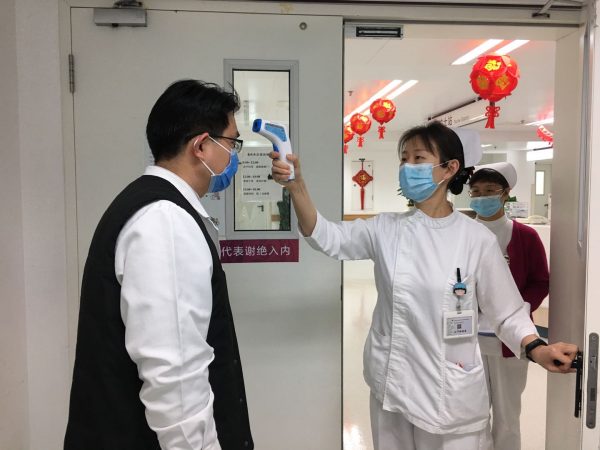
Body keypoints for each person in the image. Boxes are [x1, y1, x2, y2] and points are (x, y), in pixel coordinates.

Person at [270, 121, 577, 450]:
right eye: (404, 159)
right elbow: (327, 237)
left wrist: (537, 348)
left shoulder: (476, 239)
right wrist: (297, 187)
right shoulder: (387, 229)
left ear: (450, 168)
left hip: (450, 387)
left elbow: (507, 311)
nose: (408, 167)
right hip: (393, 382)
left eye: (418, 158)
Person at [64, 80, 253, 450]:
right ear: (201, 146)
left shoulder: (149, 204)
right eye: (232, 143)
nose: (234, 156)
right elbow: (175, 381)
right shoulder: (165, 220)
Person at [469, 162, 549, 450]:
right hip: (468, 341)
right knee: (470, 416)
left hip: (510, 344)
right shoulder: (462, 234)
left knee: (507, 417)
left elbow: (540, 281)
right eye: (476, 192)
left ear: (505, 193)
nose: (482, 197)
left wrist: (519, 311)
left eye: (490, 190)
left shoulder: (525, 236)